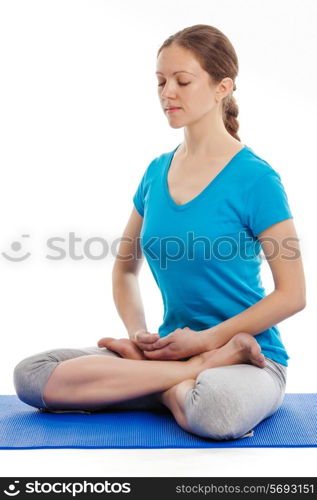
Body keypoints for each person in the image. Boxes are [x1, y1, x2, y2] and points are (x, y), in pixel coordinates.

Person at [13, 24, 306, 441]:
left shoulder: (257, 179)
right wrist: (139, 336)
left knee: (215, 412)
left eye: (182, 81)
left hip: (248, 362)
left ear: (223, 87)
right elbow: (124, 271)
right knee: (32, 376)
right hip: (168, 355)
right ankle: (181, 376)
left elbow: (292, 294)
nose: (168, 92)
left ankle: (167, 379)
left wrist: (207, 340)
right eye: (161, 81)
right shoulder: (155, 173)